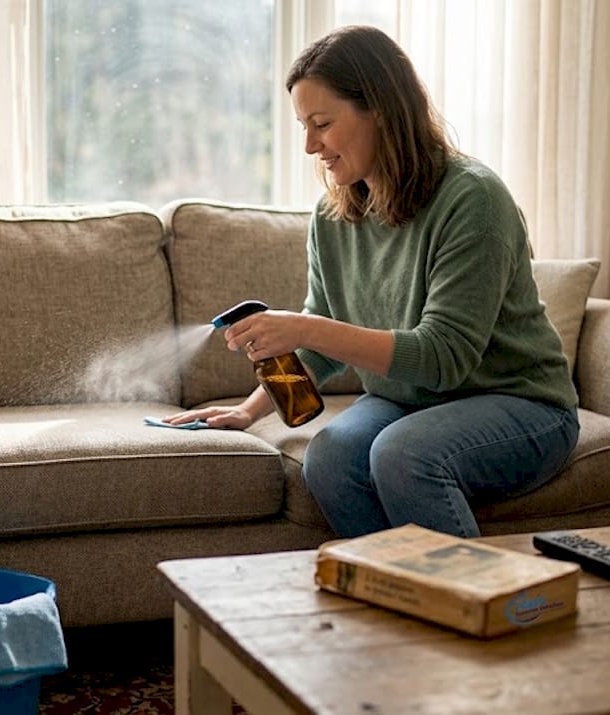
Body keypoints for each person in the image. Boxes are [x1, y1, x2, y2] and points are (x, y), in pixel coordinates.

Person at [164, 25, 580, 539]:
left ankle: (468, 605)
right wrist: (251, 411)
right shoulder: (332, 215)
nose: (310, 145)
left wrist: (303, 328)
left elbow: (444, 358)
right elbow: (322, 343)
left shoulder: (473, 199)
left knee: (403, 454)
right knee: (332, 457)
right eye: (303, 126)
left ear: (379, 109)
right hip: (408, 400)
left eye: (321, 123)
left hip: (521, 403)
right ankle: (395, 602)